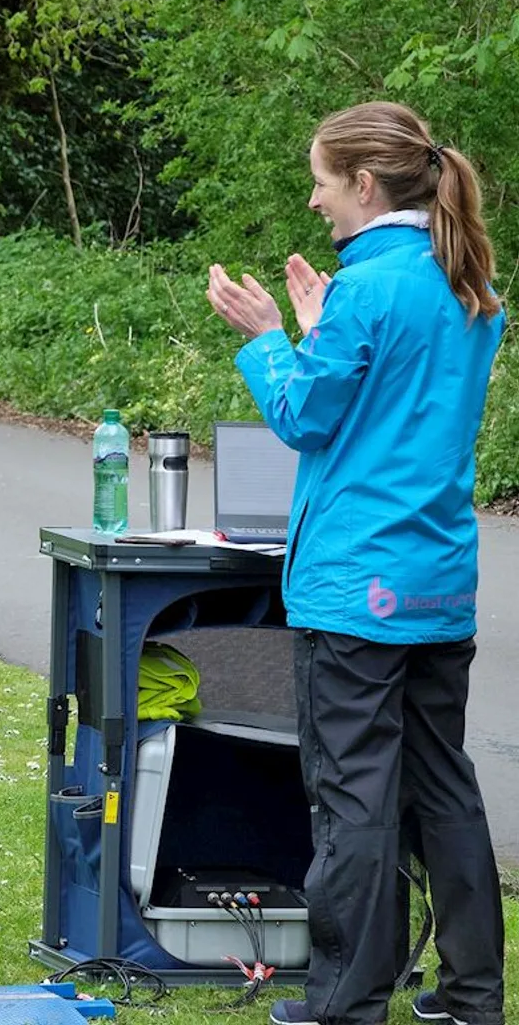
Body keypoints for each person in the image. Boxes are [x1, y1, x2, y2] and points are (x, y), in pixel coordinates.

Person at [205, 102, 505, 1025]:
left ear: (364, 186)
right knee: (441, 788)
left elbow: (307, 417)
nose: (313, 198)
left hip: (355, 594)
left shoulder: (370, 291)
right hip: (438, 583)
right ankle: (472, 996)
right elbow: (389, 405)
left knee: (354, 803)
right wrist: (316, 324)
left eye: (323, 182)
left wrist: (266, 338)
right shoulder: (467, 286)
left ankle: (345, 1002)